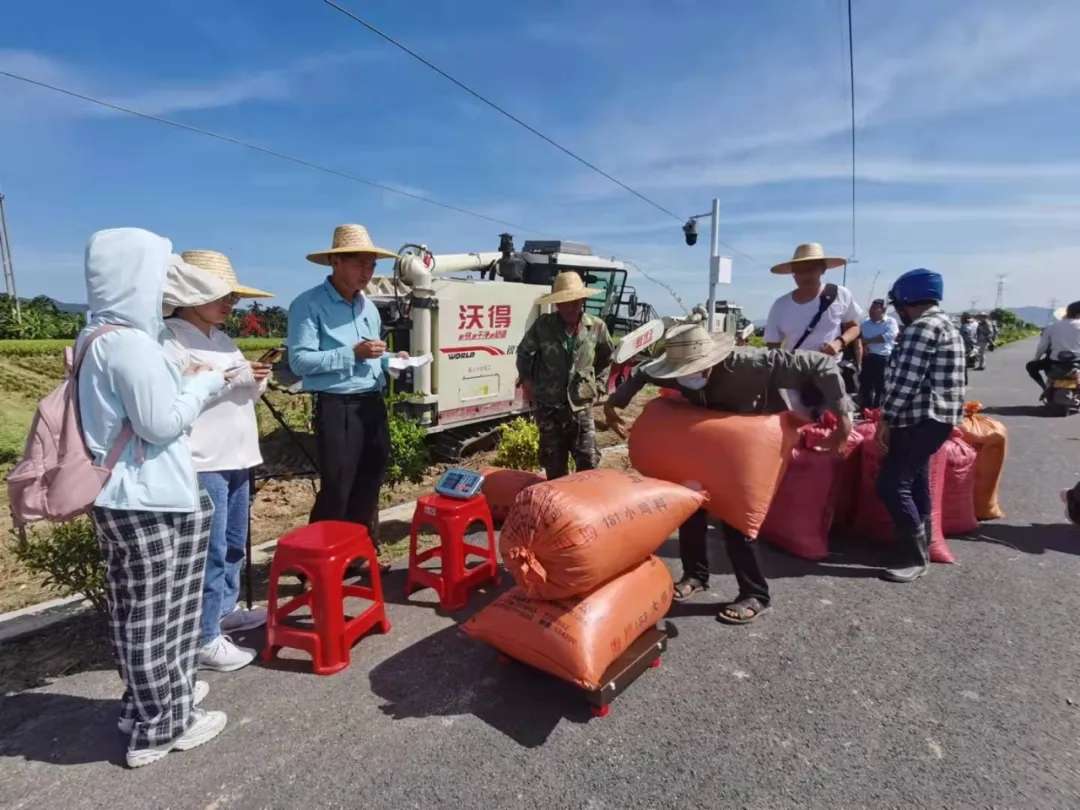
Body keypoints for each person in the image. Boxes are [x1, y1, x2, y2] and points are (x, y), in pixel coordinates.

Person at [78, 228, 229, 768]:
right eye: (158, 273)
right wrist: (204, 384)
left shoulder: (97, 334)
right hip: (149, 498)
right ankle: (163, 726)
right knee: (157, 614)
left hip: (128, 493)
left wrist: (177, 376)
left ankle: (149, 703)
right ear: (136, 277)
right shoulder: (130, 344)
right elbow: (161, 423)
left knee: (138, 610)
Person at [604, 324, 853, 625]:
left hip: (748, 445)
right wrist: (614, 403)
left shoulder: (752, 364)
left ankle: (755, 594)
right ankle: (695, 576)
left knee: (737, 523)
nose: (688, 376)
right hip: (706, 441)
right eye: (682, 371)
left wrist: (843, 417)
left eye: (695, 370)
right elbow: (643, 371)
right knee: (691, 508)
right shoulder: (671, 370)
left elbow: (821, 364)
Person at [163, 250, 274, 672]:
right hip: (202, 459)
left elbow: (236, 387)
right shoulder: (168, 339)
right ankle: (204, 636)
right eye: (220, 294)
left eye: (232, 296)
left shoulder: (220, 338)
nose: (230, 303)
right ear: (190, 293)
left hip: (237, 454)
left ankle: (224, 611)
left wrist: (252, 380)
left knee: (231, 543)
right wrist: (234, 380)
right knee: (208, 551)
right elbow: (178, 397)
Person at [288, 224, 408, 538]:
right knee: (338, 485)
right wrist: (352, 353)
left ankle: (353, 552)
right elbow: (299, 361)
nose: (366, 272)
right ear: (335, 262)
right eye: (359, 263)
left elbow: (371, 354)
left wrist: (391, 359)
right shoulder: (308, 304)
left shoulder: (368, 307)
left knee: (370, 479)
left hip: (371, 401)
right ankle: (316, 563)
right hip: (337, 406)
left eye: (371, 265)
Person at [877, 269, 966, 583]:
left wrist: (885, 418)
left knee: (891, 485)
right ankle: (920, 546)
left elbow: (906, 381)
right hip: (937, 419)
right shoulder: (946, 325)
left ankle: (913, 556)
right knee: (915, 482)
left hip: (919, 417)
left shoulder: (921, 329)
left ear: (905, 301)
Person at [516, 272, 615, 480]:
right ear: (557, 305)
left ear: (583, 301)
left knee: (588, 462)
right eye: (565, 303)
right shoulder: (543, 326)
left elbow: (607, 358)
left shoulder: (596, 327)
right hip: (549, 409)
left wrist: (598, 386)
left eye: (575, 302)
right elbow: (524, 352)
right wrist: (527, 381)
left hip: (581, 407)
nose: (571, 308)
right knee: (554, 465)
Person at [764, 243, 864, 412]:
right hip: (795, 380)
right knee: (798, 429)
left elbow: (854, 327)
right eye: (799, 270)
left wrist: (839, 342)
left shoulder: (840, 294)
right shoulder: (780, 305)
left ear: (822, 270)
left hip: (831, 375)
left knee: (833, 426)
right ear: (793, 274)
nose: (805, 275)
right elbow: (772, 349)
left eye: (811, 269)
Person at [1027, 302, 1080, 393]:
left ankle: (1044, 388)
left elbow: (1042, 347)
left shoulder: (1052, 327)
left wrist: (1036, 359)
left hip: (1055, 364)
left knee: (1030, 366)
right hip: (1077, 363)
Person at [859, 298, 899, 409]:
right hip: (867, 357)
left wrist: (869, 341)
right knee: (866, 384)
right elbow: (861, 338)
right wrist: (864, 345)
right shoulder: (865, 323)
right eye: (871, 308)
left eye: (875, 308)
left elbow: (889, 336)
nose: (871, 311)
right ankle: (866, 409)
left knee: (881, 386)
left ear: (883, 310)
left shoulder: (891, 322)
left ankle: (878, 410)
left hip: (883, 358)